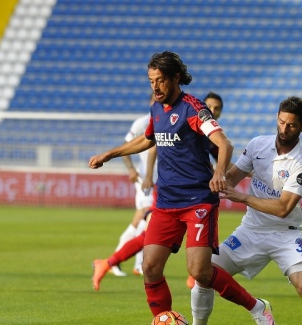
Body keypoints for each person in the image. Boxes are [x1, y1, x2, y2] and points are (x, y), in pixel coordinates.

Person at [89, 51, 274, 325]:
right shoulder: (156, 109)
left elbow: (224, 144)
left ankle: (257, 307)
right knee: (151, 267)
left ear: (176, 78)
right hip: (166, 202)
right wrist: (110, 154)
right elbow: (147, 139)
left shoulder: (193, 109)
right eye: (151, 80)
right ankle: (164, 320)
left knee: (199, 271)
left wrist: (220, 172)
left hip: (198, 200)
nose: (155, 86)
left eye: (161, 80)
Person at [190, 97, 302, 325]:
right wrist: (212, 176)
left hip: (285, 234)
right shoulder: (258, 144)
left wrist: (242, 197)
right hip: (250, 230)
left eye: (291, 125)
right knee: (204, 274)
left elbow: (283, 208)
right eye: (281, 122)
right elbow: (230, 178)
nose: (284, 129)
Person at [92, 91, 228, 287]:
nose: (213, 111)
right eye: (210, 107)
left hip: (192, 193)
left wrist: (242, 172)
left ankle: (110, 263)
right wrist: (148, 175)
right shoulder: (182, 117)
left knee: (149, 233)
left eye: (218, 109)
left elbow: (223, 157)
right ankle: (109, 262)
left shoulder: (210, 135)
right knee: (146, 231)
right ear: (202, 106)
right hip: (166, 188)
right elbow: (153, 143)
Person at [110, 93, 158, 277]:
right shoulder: (141, 124)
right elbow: (125, 147)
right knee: (144, 220)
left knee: (144, 224)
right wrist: (131, 169)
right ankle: (117, 261)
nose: (157, 102)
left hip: (160, 183)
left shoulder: (168, 121)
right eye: (153, 100)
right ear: (150, 102)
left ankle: (133, 263)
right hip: (145, 182)